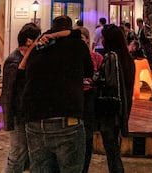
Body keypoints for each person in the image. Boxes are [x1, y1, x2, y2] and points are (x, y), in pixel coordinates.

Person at [22, 15, 94, 173]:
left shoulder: (40, 45)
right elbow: (89, 71)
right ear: (70, 29)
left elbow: (25, 73)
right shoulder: (77, 45)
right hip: (66, 116)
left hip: (35, 119)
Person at [0, 23, 41, 173]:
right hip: (17, 114)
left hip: (26, 113)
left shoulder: (26, 57)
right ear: (29, 41)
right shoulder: (14, 60)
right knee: (17, 152)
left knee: (27, 153)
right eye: (38, 39)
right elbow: (9, 93)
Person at [97, 24, 135, 173]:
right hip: (122, 110)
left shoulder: (111, 57)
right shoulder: (128, 60)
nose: (101, 40)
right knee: (114, 152)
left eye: (103, 37)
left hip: (110, 111)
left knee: (112, 153)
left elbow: (108, 84)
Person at [76, 25, 103, 173]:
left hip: (89, 98)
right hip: (75, 99)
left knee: (87, 135)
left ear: (87, 40)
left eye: (82, 39)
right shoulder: (70, 59)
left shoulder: (97, 57)